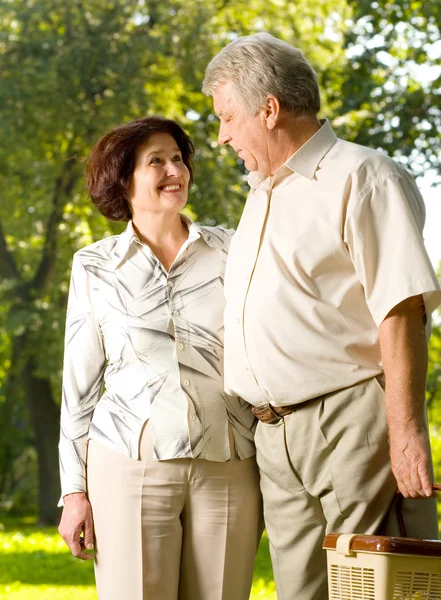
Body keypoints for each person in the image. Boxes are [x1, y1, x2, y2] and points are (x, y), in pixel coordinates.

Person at [203, 32, 441, 599]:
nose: (221, 137)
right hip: (275, 433)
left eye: (228, 117)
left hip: (349, 421)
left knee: (370, 589)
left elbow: (401, 307)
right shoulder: (263, 192)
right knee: (301, 593)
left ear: (269, 108)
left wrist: (406, 434)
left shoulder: (363, 176)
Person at [57, 116, 262, 600]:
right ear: (123, 179)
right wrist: (74, 492)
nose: (175, 170)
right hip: (128, 464)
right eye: (157, 162)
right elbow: (79, 386)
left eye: (179, 159)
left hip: (228, 462)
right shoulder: (95, 265)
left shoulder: (233, 249)